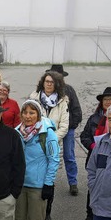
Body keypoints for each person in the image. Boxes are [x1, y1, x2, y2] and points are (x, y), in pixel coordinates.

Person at [10, 100, 60, 220]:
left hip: (38, 186)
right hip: (20, 185)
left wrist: (48, 183)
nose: (28, 116)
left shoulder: (47, 134)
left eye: (32, 113)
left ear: (38, 115)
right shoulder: (16, 132)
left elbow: (54, 159)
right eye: (25, 112)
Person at [79, 87, 111, 220]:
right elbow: (84, 136)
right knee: (93, 186)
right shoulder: (94, 118)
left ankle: (109, 212)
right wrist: (93, 147)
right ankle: (90, 214)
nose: (108, 102)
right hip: (97, 157)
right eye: (106, 99)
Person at [30, 70, 69, 220]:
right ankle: (32, 211)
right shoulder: (34, 98)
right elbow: (27, 119)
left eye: (52, 82)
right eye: (46, 81)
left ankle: (47, 213)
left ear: (57, 84)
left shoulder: (62, 102)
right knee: (33, 176)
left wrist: (51, 140)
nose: (49, 84)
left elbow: (64, 126)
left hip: (52, 146)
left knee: (49, 178)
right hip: (33, 144)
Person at [46, 64, 82, 196]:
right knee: (48, 155)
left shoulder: (69, 90)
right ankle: (47, 181)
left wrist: (69, 126)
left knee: (69, 156)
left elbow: (77, 111)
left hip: (68, 129)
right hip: (50, 129)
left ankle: (73, 182)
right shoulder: (45, 92)